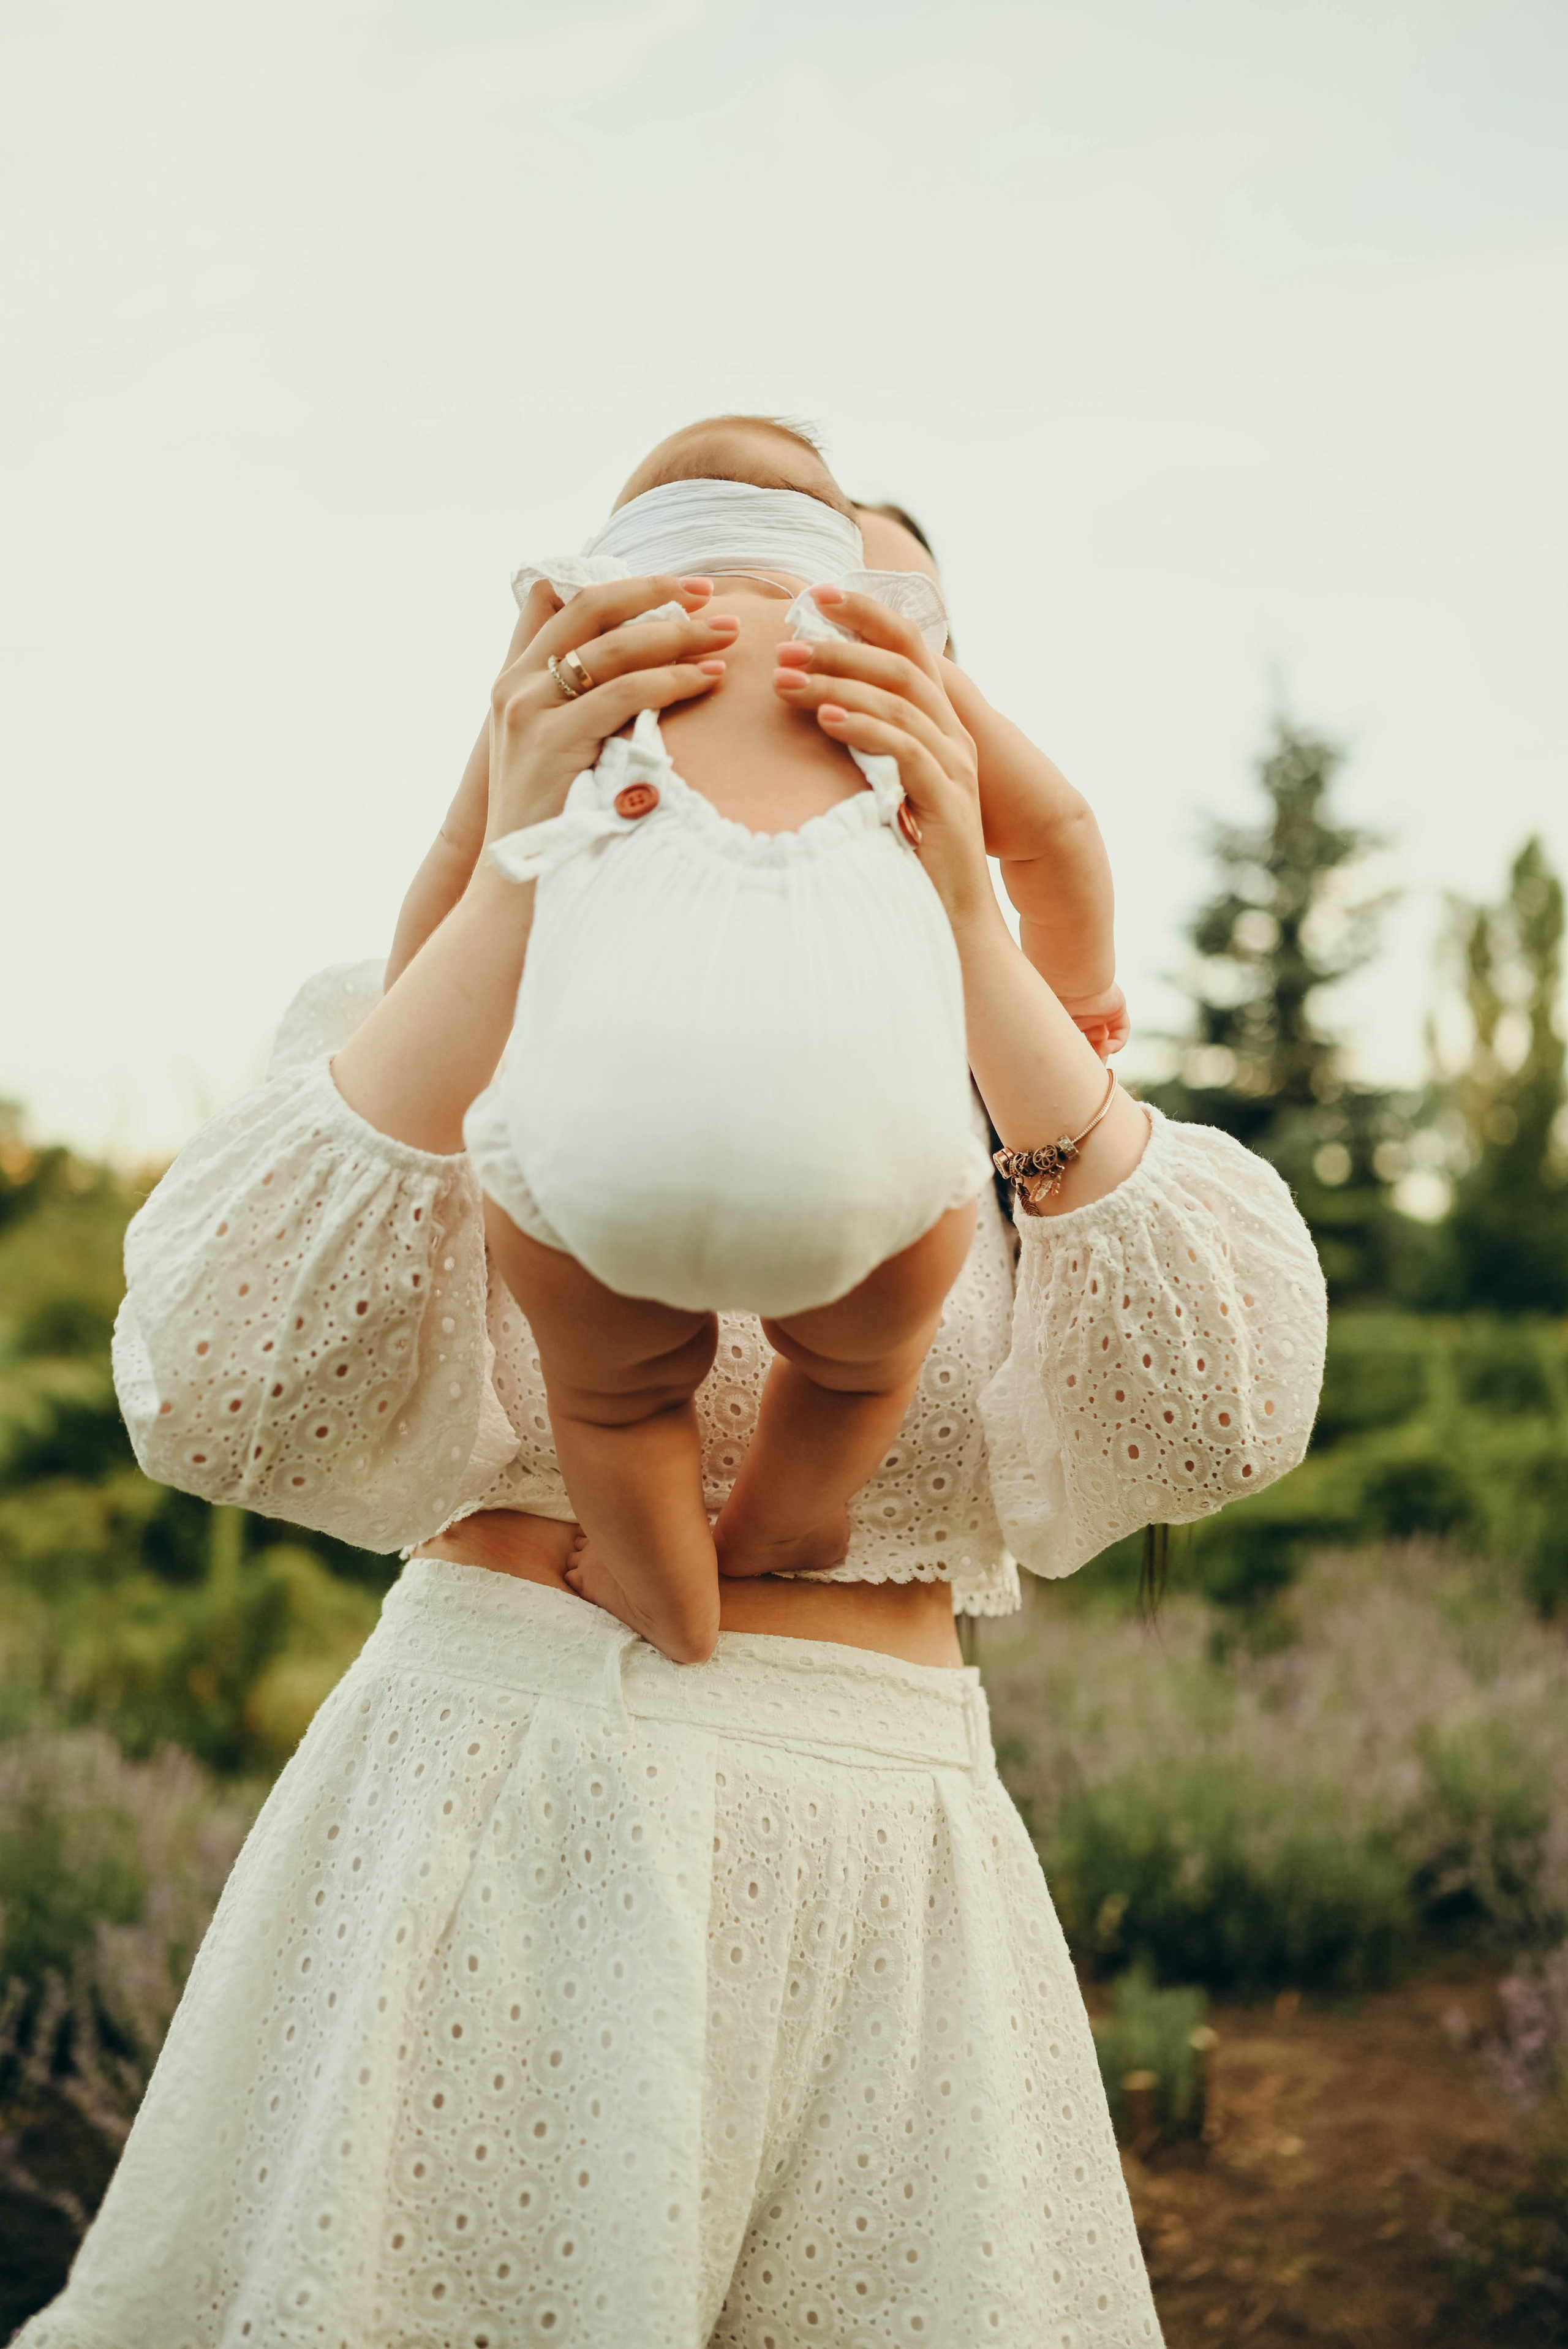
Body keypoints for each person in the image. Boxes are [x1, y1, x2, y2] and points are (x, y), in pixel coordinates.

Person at [19, 415, 1327, 2349]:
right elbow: (226, 1385)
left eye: (856, 653)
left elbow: (1222, 1409)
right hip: (491, 1789)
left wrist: (977, 913)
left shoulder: (1004, 1080)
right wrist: (507, 847)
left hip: (883, 1871)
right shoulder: (498, 996)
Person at [461, 420, 1127, 1666]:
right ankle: (780, 1523)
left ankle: (665, 1593)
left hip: (597, 1134)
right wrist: (1077, 1005)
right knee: (855, 1372)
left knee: (611, 1396)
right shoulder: (881, 653)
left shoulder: (596, 653)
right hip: (873, 1148)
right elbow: (1065, 832)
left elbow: (462, 872)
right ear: (846, 576)